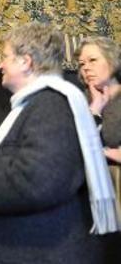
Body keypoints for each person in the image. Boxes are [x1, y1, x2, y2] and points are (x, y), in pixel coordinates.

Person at [0, 22, 120, 264]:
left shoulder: (51, 106)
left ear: (26, 61)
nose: (0, 64)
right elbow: (10, 163)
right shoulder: (39, 104)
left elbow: (34, 181)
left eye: (5, 57)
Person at [77, 36, 121, 262]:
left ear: (112, 61)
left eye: (93, 60)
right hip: (85, 199)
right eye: (82, 64)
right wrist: (94, 109)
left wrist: (102, 153)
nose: (86, 68)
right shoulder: (78, 101)